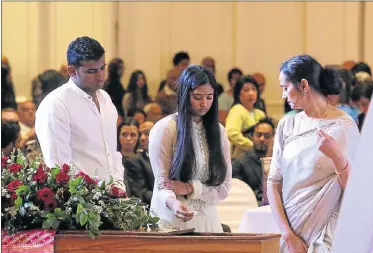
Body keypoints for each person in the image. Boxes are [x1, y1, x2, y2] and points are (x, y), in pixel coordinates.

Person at [267, 54, 360, 253]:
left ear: (304, 85)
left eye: (285, 87)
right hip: (291, 233)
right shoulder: (286, 126)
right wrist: (287, 234)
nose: (282, 95)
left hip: (326, 234)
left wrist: (337, 157)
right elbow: (273, 183)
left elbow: (357, 191)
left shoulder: (344, 126)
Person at [35, 36, 127, 197]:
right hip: (79, 203)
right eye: (91, 71)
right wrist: (94, 194)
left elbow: (112, 153)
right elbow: (59, 167)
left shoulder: (106, 99)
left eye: (102, 68)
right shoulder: (55, 105)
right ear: (72, 71)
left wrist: (118, 185)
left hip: (112, 198)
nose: (100, 77)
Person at [149, 64, 232, 232]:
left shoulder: (219, 131)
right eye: (198, 97)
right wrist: (174, 203)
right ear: (185, 95)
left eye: (209, 97)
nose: (204, 103)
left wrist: (190, 188)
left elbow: (223, 189)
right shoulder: (166, 128)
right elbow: (162, 182)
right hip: (172, 216)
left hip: (208, 220)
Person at [231, 117, 275, 205]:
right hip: (250, 207)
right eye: (258, 135)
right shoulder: (239, 162)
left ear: (273, 139)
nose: (262, 139)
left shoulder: (279, 163)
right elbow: (238, 193)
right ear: (252, 137)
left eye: (266, 136)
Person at [225, 75, 266, 159]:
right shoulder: (237, 110)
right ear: (238, 94)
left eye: (254, 89)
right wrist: (252, 146)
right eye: (246, 90)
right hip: (241, 158)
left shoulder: (260, 113)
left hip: (258, 156)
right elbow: (231, 133)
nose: (251, 93)